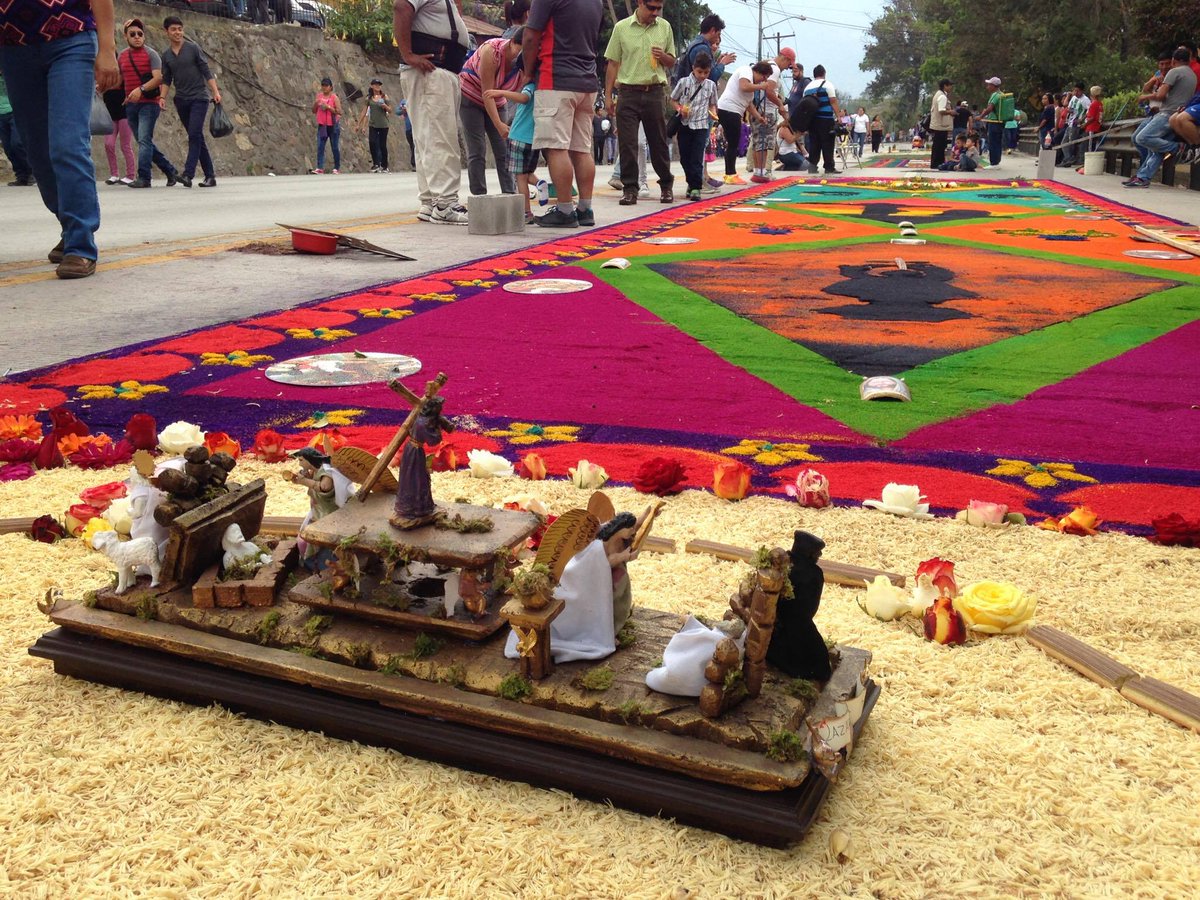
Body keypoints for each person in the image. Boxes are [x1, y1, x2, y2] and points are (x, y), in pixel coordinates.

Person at [0, 0, 118, 278]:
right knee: (36, 150)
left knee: (67, 143)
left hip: (71, 40)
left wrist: (107, 48)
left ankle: (80, 244)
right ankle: (70, 224)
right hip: (13, 50)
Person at [521, 0, 602, 228]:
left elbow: (530, 37)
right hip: (587, 83)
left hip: (556, 78)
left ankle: (565, 210)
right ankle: (585, 208)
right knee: (581, 148)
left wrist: (527, 74)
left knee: (556, 147)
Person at [395, 0, 471, 225]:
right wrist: (408, 54)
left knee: (427, 139)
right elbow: (401, 7)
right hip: (432, 70)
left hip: (439, 70)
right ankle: (445, 204)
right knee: (441, 138)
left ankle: (430, 202)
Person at [604, 0, 676, 206]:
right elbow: (613, 63)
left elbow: (672, 61)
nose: (655, 12)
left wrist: (663, 56)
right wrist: (608, 96)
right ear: (639, 3)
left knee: (658, 142)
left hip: (654, 92)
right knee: (627, 143)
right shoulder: (621, 28)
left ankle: (665, 185)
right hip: (627, 92)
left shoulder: (664, 27)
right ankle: (629, 189)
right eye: (651, 8)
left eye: (658, 8)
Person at [459, 30, 523, 195]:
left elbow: (523, 95)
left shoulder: (525, 62)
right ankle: (479, 196)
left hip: (497, 100)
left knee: (504, 150)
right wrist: (499, 125)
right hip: (471, 96)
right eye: (522, 48)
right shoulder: (491, 51)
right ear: (513, 42)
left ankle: (510, 194)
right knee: (477, 149)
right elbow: (487, 93)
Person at [119, 18, 180, 189]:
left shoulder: (151, 54)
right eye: (133, 34)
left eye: (140, 33)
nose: (137, 37)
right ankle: (170, 171)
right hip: (131, 105)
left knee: (144, 140)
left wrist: (140, 90)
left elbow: (158, 78)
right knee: (144, 142)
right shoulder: (122, 56)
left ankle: (144, 177)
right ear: (126, 36)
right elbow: (119, 80)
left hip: (149, 103)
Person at [160, 16, 221, 188]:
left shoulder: (193, 48)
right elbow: (167, 79)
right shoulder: (166, 55)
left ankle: (188, 174)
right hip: (181, 100)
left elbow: (206, 71)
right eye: (174, 29)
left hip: (199, 98)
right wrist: (162, 97)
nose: (178, 32)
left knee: (194, 135)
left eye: (180, 29)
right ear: (167, 32)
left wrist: (215, 92)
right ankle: (210, 176)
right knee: (197, 138)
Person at [1125, 48, 1197, 188]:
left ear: (1173, 61)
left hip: (1167, 113)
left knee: (1142, 138)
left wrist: (1144, 97)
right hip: (1178, 114)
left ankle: (1177, 148)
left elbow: (1161, 96)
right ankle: (1143, 177)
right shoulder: (1192, 75)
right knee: (1157, 148)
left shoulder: (1174, 72)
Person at [390, 396, 453, 529]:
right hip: (416, 452)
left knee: (412, 477)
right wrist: (438, 427)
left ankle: (413, 507)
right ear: (433, 409)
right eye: (439, 409)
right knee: (417, 479)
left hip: (411, 449)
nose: (440, 410)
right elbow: (432, 441)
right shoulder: (424, 423)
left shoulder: (420, 418)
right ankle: (417, 509)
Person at [487, 78, 539, 223]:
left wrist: (501, 92)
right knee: (527, 173)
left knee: (520, 177)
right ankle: (540, 184)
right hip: (533, 139)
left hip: (518, 137)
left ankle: (526, 212)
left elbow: (524, 98)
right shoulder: (543, 89)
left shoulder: (530, 86)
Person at [670, 51, 718, 201]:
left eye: (706, 72)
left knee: (697, 157)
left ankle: (696, 187)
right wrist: (679, 109)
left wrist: (713, 114)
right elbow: (673, 100)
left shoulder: (710, 85)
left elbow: (712, 104)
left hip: (702, 125)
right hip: (685, 124)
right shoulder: (684, 82)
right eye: (700, 72)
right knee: (685, 158)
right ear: (693, 68)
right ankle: (691, 183)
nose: (703, 75)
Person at [716, 60, 772, 184]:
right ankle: (730, 174)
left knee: (732, 143)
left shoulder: (751, 86)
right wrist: (761, 87)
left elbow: (749, 105)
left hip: (734, 111)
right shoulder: (746, 70)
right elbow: (744, 86)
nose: (763, 80)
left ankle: (730, 173)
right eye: (764, 77)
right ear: (758, 71)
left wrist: (759, 117)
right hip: (729, 109)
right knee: (733, 143)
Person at [99, 58, 135, 186]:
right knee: (109, 144)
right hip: (110, 115)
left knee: (125, 145)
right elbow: (99, 88)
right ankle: (114, 174)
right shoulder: (104, 78)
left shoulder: (123, 78)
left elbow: (119, 84)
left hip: (124, 114)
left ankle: (131, 175)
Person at [802, 63, 842, 174]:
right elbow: (833, 101)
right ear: (824, 74)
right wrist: (838, 116)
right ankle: (829, 167)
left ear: (814, 75)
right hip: (825, 119)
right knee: (828, 143)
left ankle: (812, 166)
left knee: (814, 143)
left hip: (812, 120)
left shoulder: (807, 88)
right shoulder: (827, 84)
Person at [0, 72, 34, 186]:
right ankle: (21, 176)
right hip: (1, 115)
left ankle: (31, 172)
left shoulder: (12, 72)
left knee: (17, 143)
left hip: (15, 112)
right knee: (8, 147)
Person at [356, 78, 392, 172]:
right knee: (372, 142)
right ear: (371, 86)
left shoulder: (384, 97)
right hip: (373, 124)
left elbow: (390, 110)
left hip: (383, 124)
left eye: (379, 85)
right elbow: (364, 111)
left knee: (382, 145)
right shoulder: (368, 98)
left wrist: (385, 106)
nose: (377, 86)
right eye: (375, 84)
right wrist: (358, 124)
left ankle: (384, 166)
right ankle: (376, 164)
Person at [310, 76, 342, 174]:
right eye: (323, 85)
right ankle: (320, 167)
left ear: (331, 87)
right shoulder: (319, 96)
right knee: (320, 146)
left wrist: (328, 107)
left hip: (333, 125)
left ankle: (337, 167)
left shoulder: (334, 97)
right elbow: (313, 111)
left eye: (326, 85)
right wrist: (316, 104)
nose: (324, 87)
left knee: (335, 146)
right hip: (322, 125)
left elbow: (339, 112)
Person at [1058, 82, 1090, 167]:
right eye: (1074, 90)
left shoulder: (1085, 100)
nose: (1076, 93)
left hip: (1076, 125)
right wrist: (1069, 109)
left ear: (1082, 91)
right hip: (1070, 122)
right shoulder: (1074, 98)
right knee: (1064, 142)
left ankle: (1069, 158)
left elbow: (1089, 111)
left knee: (1071, 142)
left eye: (1078, 91)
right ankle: (1068, 158)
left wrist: (1082, 119)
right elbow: (1067, 106)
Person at [978, 75, 1006, 167]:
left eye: (989, 85)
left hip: (994, 122)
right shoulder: (1002, 95)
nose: (987, 87)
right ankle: (996, 162)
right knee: (997, 142)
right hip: (1000, 122)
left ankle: (993, 162)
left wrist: (981, 116)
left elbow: (989, 108)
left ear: (994, 86)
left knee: (992, 142)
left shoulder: (995, 95)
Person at [929, 78, 953, 168]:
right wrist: (951, 112)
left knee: (937, 145)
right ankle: (938, 163)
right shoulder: (942, 96)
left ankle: (936, 163)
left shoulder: (938, 94)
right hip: (941, 125)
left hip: (938, 125)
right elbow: (941, 110)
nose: (951, 87)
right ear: (945, 86)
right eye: (949, 85)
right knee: (940, 146)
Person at [395, 98, 415, 169]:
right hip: (408, 128)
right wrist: (403, 110)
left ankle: (415, 163)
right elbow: (397, 111)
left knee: (415, 145)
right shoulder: (404, 101)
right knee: (412, 145)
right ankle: (414, 164)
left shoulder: (417, 99)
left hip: (417, 127)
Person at [1083, 85, 1103, 152]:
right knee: (1093, 145)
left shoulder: (1093, 104)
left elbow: (1091, 118)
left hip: (1091, 127)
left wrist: (1084, 125)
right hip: (1097, 127)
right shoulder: (1100, 103)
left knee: (1090, 147)